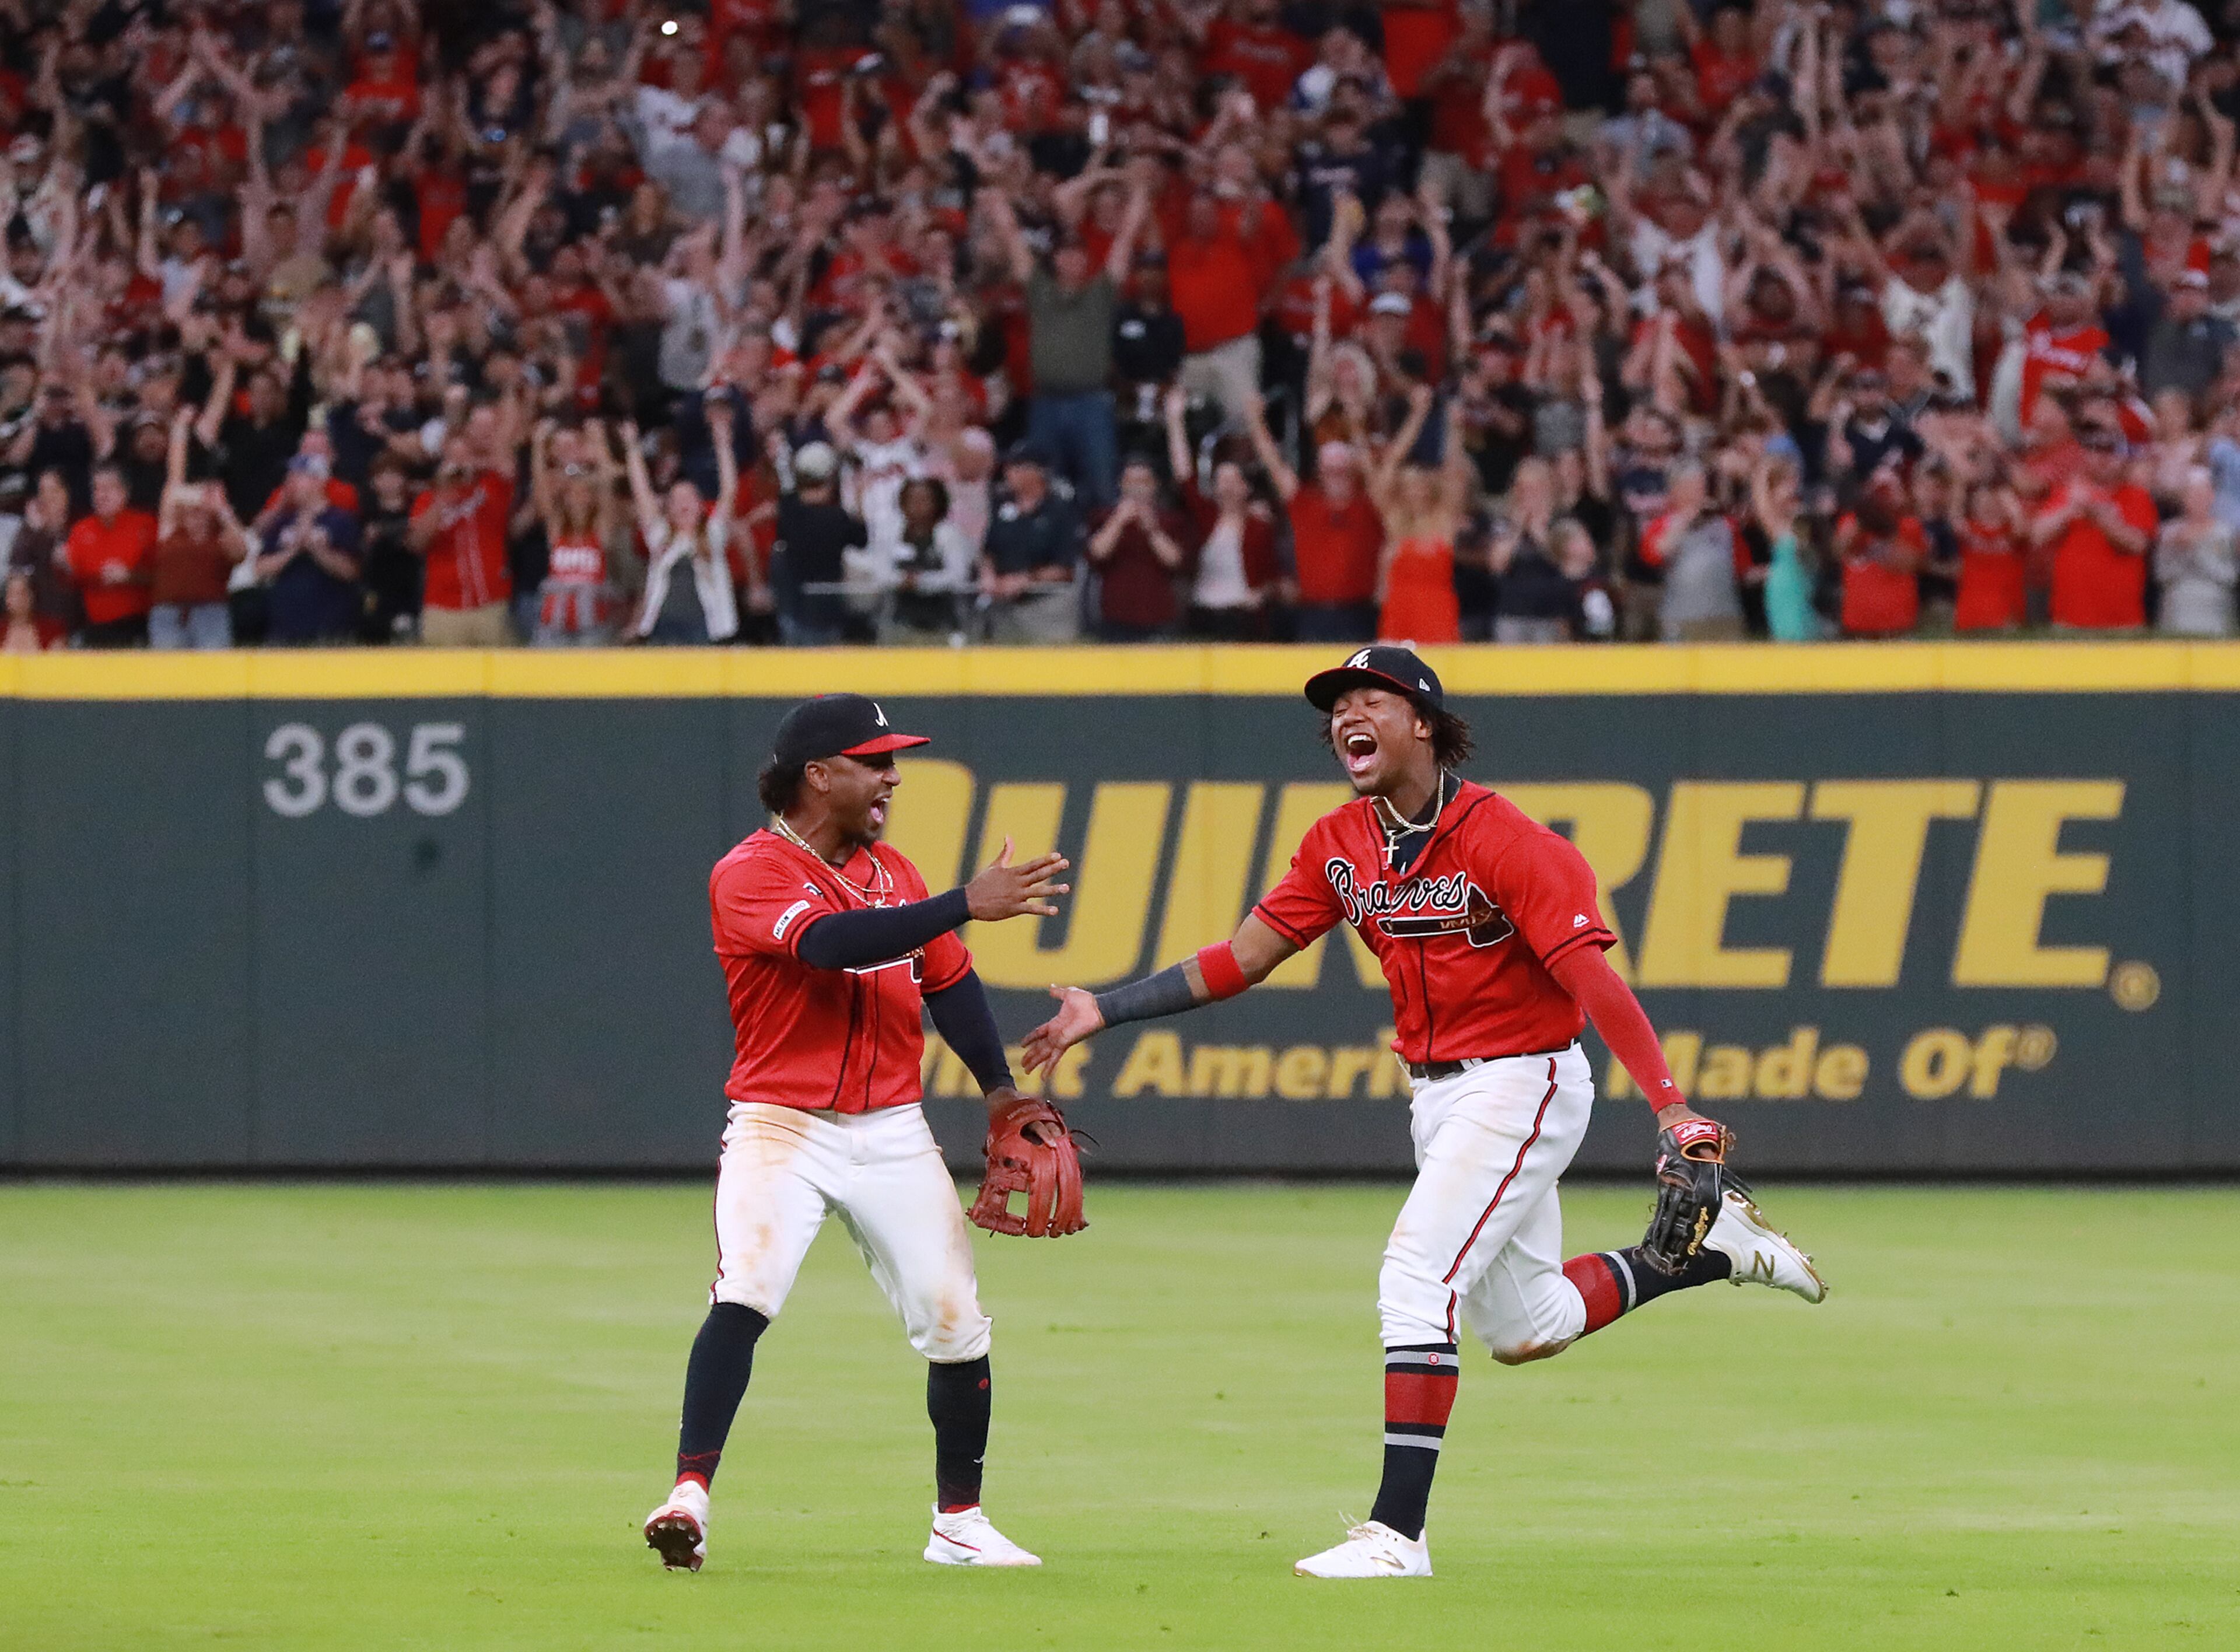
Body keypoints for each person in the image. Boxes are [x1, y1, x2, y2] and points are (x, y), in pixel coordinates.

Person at [1021, 647, 1825, 1578]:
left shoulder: (1510, 842)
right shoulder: (1339, 843)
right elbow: (1241, 957)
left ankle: (1397, 1534)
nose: (1346, 718)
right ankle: (1713, 1251)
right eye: (1336, 708)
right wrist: (1103, 1008)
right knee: (1527, 1327)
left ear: (1425, 726)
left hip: (1524, 1078)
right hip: (1440, 1094)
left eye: (1371, 700)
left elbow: (1591, 979)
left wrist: (1673, 1108)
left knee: (1414, 1275)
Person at [642, 694, 1074, 1574]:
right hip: (782, 1128)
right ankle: (690, 1493)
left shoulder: (900, 874)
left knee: (957, 1323)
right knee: (748, 1289)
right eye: (874, 761)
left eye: (892, 760)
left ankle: (960, 1523)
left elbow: (948, 984)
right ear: (818, 775)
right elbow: (833, 946)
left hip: (892, 1132)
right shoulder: (750, 871)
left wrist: (998, 1089)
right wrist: (964, 902)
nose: (892, 776)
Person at [1244, 389, 1382, 640]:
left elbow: (1374, 473)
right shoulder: (1305, 503)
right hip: (1313, 614)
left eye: (1342, 470)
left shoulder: (1369, 506)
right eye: (1330, 471)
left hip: (1360, 613)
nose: (1336, 476)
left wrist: (1357, 427)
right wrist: (1256, 421)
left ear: (1353, 471)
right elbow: (1273, 463)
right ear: (1320, 473)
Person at [624, 410, 740, 645]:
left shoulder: (713, 536)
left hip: (704, 632)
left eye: (689, 499)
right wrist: (632, 447)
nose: (683, 505)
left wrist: (723, 445)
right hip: (662, 631)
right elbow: (642, 494)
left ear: (700, 507)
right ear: (669, 509)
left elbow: (729, 491)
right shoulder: (660, 538)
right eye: (677, 500)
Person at [1364, 388, 1465, 644]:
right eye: (1409, 484)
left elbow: (1454, 472)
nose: (1415, 490)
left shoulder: (1444, 519)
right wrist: (1417, 416)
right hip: (1397, 618)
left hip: (1437, 621)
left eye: (1420, 483)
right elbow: (1388, 467)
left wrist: (1454, 429)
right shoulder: (1395, 521)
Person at [150, 410, 248, 649]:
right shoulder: (172, 530)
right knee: (169, 682)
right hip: (169, 614)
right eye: (191, 510)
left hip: (211, 612)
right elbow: (174, 482)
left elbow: (241, 553)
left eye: (200, 510)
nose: (196, 514)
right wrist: (180, 431)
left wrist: (222, 511)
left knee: (213, 683)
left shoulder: (220, 536)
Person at [409, 433, 516, 647]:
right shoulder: (429, 499)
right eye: (453, 457)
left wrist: (474, 467)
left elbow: (507, 462)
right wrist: (443, 495)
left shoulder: (493, 487)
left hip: (491, 603)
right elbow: (417, 542)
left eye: (464, 455)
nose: (458, 463)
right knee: (446, 677)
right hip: (444, 607)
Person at [530, 419, 625, 646]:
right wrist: (538, 447)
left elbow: (608, 487)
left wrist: (599, 442)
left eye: (584, 491)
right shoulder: (557, 531)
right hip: (553, 623)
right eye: (572, 492)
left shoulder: (601, 532)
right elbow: (541, 490)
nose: (578, 496)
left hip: (594, 625)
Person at [253, 456, 362, 645]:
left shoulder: (341, 521)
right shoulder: (282, 522)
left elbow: (351, 571)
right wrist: (294, 550)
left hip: (330, 630)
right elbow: (260, 568)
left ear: (319, 481)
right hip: (284, 628)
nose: (291, 484)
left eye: (298, 477)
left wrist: (317, 549)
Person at [981, 443, 1083, 643]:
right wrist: (988, 575)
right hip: (1004, 607)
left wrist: (1026, 580)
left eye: (1016, 467)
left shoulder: (1060, 512)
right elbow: (989, 549)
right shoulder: (1002, 506)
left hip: (1048, 607)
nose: (1008, 473)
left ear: (1036, 472)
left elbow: (1066, 567)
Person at [766, 440, 865, 647]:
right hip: (825, 614)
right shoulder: (837, 518)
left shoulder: (789, 511)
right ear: (831, 479)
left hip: (794, 610)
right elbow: (861, 539)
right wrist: (858, 495)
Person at [1086, 455, 1190, 640]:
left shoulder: (1171, 520)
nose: (1136, 488)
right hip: (1115, 618)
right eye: (1130, 481)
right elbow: (1097, 554)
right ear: (1121, 484)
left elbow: (1175, 561)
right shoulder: (1103, 517)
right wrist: (1118, 522)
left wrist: (1152, 530)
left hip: (1159, 618)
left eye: (1143, 482)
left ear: (1155, 485)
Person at [62, 464, 159, 647]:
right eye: (97, 489)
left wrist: (130, 577)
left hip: (136, 627)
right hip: (95, 629)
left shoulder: (145, 525)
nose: (101, 495)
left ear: (124, 492)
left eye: (108, 488)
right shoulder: (81, 530)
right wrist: (63, 565)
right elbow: (70, 578)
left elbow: (162, 576)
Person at [2155, 467, 2238, 636]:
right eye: (2192, 495)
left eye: (2202, 494)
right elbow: (2161, 574)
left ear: (2212, 497)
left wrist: (2195, 549)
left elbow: (2229, 576)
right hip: (2178, 611)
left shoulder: (2225, 533)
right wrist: (2177, 550)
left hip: (2215, 614)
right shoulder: (2169, 532)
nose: (2197, 500)